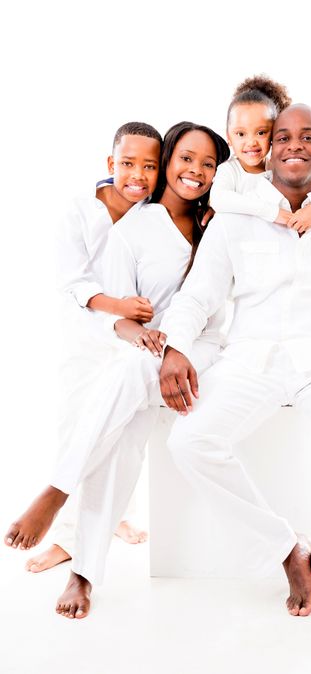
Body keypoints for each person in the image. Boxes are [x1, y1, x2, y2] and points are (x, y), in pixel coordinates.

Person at [158, 104, 311, 624]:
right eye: (283, 136)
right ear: (267, 151)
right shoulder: (236, 219)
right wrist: (174, 346)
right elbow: (198, 296)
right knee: (189, 441)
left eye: (307, 136)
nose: (294, 145)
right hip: (251, 361)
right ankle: (288, 549)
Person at [4, 122, 230, 619]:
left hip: (207, 350)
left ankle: (59, 490)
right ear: (169, 161)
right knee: (123, 436)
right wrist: (151, 340)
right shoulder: (133, 230)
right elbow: (116, 311)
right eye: (185, 158)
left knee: (129, 385)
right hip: (149, 355)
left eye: (208, 163)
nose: (195, 170)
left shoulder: (222, 220)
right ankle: (83, 570)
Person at [25, 122, 162, 574]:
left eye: (148, 166)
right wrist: (118, 306)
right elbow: (73, 282)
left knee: (122, 435)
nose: (137, 175)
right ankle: (65, 537)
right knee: (78, 425)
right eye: (127, 164)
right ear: (111, 164)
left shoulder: (154, 213)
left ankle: (117, 513)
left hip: (135, 343)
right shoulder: (81, 211)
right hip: (89, 335)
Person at [210, 74, 311, 232]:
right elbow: (218, 199)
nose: (251, 142)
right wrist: (273, 212)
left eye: (261, 133)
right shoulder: (230, 170)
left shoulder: (278, 167)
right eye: (241, 134)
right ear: (228, 137)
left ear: (274, 136)